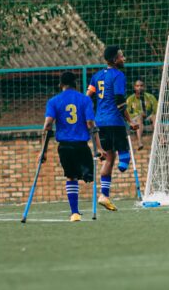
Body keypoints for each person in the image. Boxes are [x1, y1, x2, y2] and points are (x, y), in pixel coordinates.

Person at [42, 71, 98, 222]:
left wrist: (44, 151)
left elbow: (48, 125)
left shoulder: (54, 101)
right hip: (81, 145)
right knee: (88, 173)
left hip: (64, 146)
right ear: (76, 84)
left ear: (60, 85)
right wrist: (98, 147)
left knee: (71, 176)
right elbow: (90, 124)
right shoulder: (85, 100)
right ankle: (87, 172)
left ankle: (75, 213)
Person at [87, 45, 130, 211]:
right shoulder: (119, 75)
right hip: (115, 121)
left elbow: (88, 96)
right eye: (121, 56)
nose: (123, 58)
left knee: (109, 158)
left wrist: (90, 114)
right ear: (114, 59)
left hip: (100, 122)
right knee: (123, 153)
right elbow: (120, 100)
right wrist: (130, 120)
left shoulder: (96, 76)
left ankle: (104, 196)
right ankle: (124, 164)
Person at [126, 79, 158, 152]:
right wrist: (138, 114)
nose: (139, 87)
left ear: (144, 87)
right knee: (139, 118)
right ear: (134, 87)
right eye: (137, 86)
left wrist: (151, 114)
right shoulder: (130, 99)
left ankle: (161, 139)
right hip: (135, 119)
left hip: (147, 117)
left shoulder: (150, 97)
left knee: (155, 116)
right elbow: (127, 113)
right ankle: (140, 142)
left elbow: (156, 110)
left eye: (141, 86)